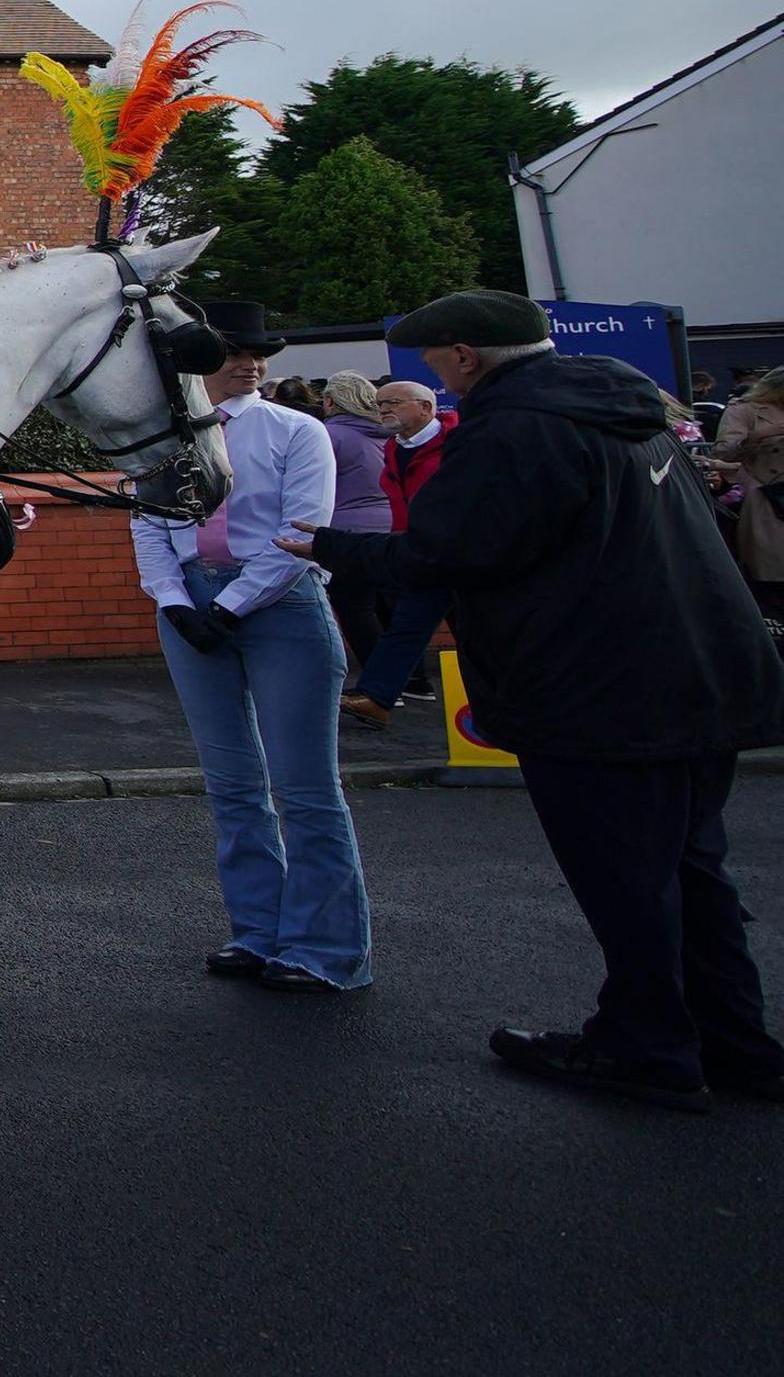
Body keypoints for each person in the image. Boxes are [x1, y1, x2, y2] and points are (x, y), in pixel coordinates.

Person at [291, 290, 784, 1110]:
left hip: (605, 694)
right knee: (693, 872)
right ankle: (738, 1046)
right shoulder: (621, 407)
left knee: (628, 879)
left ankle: (648, 1047)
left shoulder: (514, 429)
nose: (433, 377)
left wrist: (327, 545)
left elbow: (452, 550)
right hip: (706, 678)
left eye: (434, 361)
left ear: (465, 357)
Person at [134, 301, 368, 993]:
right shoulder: (165, 443)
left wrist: (231, 607)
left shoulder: (297, 431)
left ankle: (324, 952)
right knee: (234, 786)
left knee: (305, 789)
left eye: (260, 351)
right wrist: (176, 603)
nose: (251, 362)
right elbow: (148, 525)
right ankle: (258, 932)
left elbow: (304, 530)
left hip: (278, 606)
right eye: (235, 350)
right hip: (192, 606)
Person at [344, 379, 462, 724]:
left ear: (426, 407)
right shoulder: (395, 446)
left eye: (393, 402)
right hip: (416, 550)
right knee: (407, 623)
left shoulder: (457, 442)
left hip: (459, 551)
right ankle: (377, 696)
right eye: (380, 404)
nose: (383, 410)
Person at [310, 371, 397, 702]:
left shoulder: (329, 436)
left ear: (330, 401)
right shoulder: (388, 435)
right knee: (391, 608)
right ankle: (413, 680)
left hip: (347, 532)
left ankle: (379, 687)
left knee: (355, 608)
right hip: (392, 530)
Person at [713, 370, 784, 623]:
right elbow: (724, 451)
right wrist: (761, 435)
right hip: (768, 500)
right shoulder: (744, 410)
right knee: (771, 577)